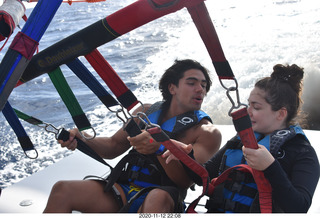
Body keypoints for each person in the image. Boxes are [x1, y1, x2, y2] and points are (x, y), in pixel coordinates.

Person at [43, 59, 222, 213]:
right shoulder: (145, 112)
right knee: (62, 190)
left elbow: (184, 181)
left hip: (165, 199)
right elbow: (113, 146)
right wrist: (83, 138)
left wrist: (159, 148)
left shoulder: (207, 132)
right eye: (192, 83)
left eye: (204, 85)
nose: (200, 89)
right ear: (172, 88)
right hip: (123, 189)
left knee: (156, 198)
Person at [163, 64, 320, 213]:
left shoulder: (302, 152)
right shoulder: (240, 140)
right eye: (248, 105)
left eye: (256, 107)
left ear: (281, 113)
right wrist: (184, 156)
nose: (248, 111)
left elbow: (299, 207)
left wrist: (270, 166)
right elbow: (204, 176)